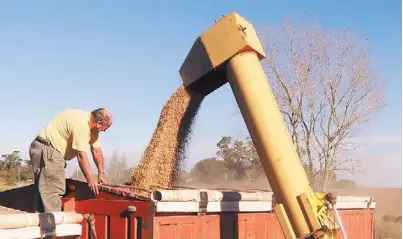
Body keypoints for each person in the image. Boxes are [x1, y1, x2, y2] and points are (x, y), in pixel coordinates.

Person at [29, 108, 113, 212]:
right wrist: (90, 180)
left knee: (44, 190)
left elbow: (96, 151)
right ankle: (51, 225)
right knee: (52, 190)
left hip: (46, 149)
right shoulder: (82, 125)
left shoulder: (92, 129)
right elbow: (81, 156)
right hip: (48, 149)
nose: (104, 131)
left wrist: (101, 172)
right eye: (105, 128)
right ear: (99, 123)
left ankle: (42, 222)